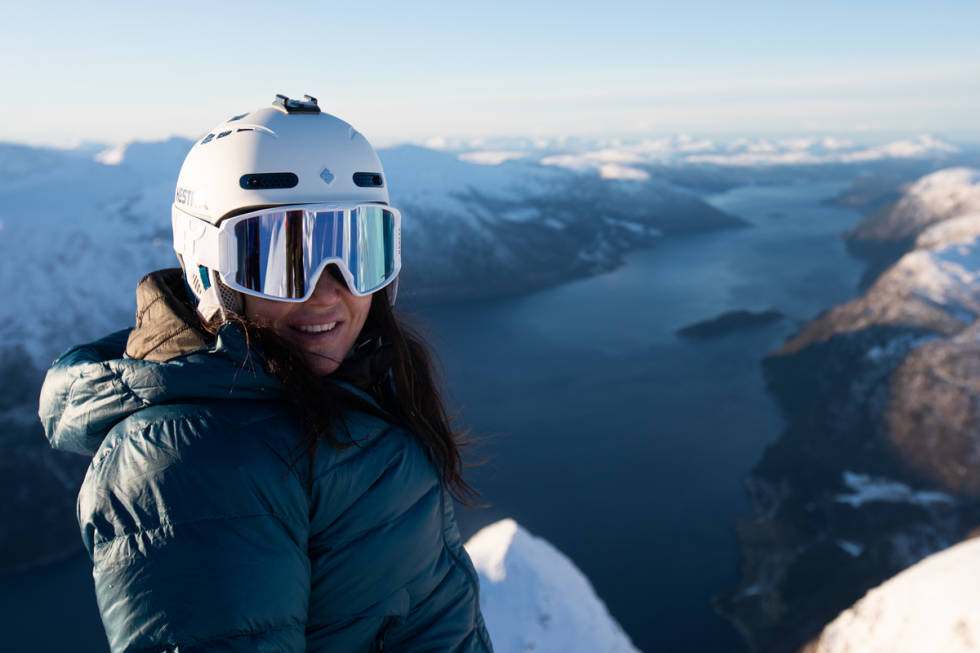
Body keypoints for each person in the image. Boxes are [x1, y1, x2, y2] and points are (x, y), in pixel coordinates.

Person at [39, 94, 494, 652]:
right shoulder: (192, 461)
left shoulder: (343, 392)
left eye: (358, 252)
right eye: (283, 261)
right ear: (208, 269)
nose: (331, 294)